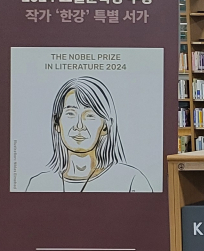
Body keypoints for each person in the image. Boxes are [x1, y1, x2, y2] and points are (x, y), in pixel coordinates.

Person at [25, 76, 153, 193]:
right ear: (57, 123)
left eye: (90, 115)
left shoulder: (131, 181)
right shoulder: (38, 184)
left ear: (105, 126)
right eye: (70, 114)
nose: (79, 125)